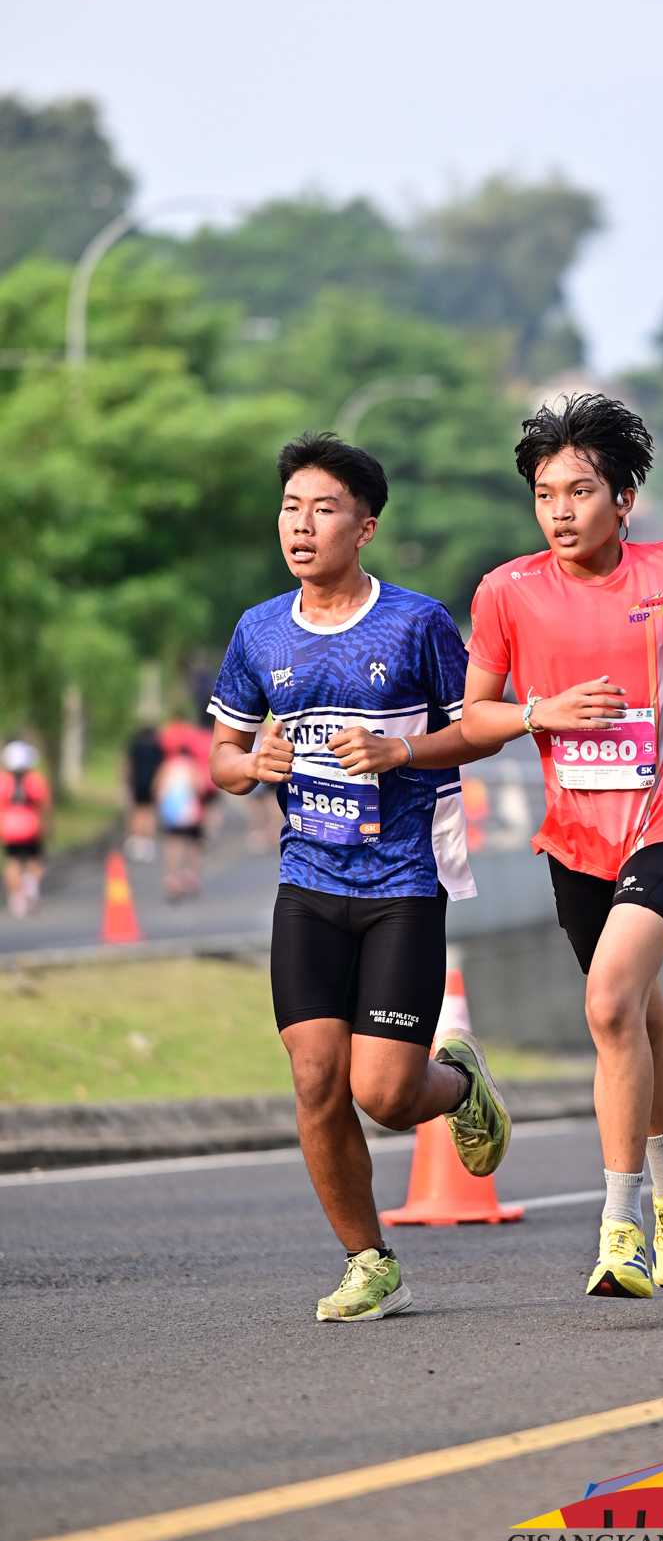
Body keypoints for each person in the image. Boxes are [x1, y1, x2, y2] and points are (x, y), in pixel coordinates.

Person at [208, 430, 509, 1323]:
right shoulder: (259, 631)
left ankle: (458, 1083)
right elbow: (223, 753)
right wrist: (249, 765)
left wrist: (399, 750)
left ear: (365, 527)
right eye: (290, 508)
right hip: (307, 880)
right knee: (314, 1079)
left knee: (384, 1094)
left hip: (402, 882)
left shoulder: (416, 623)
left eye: (323, 509)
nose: (301, 526)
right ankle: (369, 1261)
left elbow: (480, 729)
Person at [462, 392, 663, 1299]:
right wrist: (539, 712)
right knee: (639, 1019)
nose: (560, 512)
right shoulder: (507, 592)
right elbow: (473, 718)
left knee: (607, 1005)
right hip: (576, 836)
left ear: (624, 499)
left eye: (580, 492)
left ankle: (620, 1227)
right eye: (545, 495)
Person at [1, 741, 50, 919]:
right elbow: (45, 806)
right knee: (35, 860)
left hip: (9, 829)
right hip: (32, 828)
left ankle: (16, 897)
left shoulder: (3, 781)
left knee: (12, 861)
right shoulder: (35, 781)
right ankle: (30, 886)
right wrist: (46, 826)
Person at [154, 738, 206, 900]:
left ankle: (172, 878)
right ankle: (191, 874)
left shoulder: (167, 766)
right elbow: (201, 787)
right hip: (190, 810)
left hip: (171, 811)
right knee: (194, 843)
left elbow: (156, 787)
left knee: (173, 843)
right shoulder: (192, 766)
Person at [123, 723, 164, 863]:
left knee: (137, 811)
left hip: (137, 781)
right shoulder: (158, 748)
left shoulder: (136, 746)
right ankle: (148, 843)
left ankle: (137, 842)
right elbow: (161, 767)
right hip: (152, 783)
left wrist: (126, 781)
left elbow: (128, 764)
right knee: (150, 813)